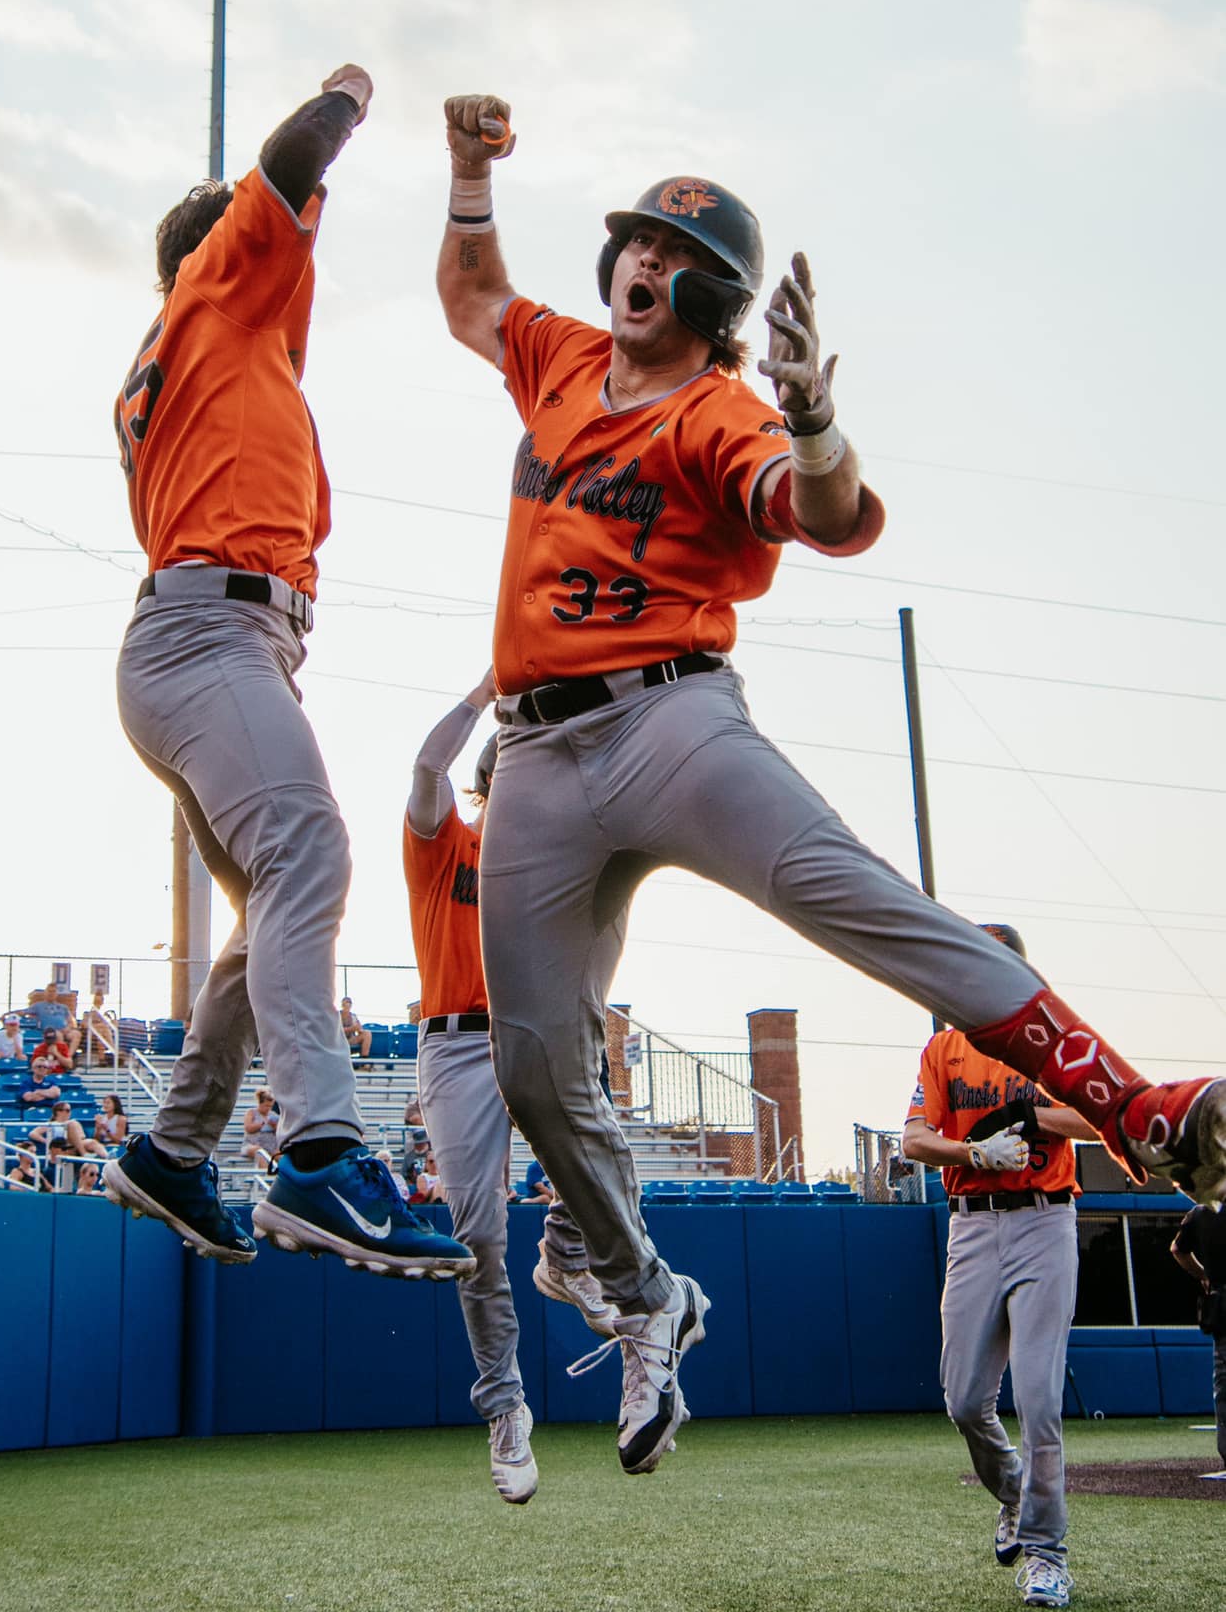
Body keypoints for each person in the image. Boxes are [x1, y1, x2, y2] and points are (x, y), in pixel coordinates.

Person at [433, 91, 1226, 1478]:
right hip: (537, 758)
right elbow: (470, 294)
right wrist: (467, 169)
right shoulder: (557, 358)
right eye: (629, 237)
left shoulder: (717, 410)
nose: (635, 260)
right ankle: (646, 1294)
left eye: (666, 251)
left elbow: (829, 516)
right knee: (529, 1066)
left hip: (667, 719)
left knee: (873, 909)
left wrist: (808, 419)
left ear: (711, 295)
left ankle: (1135, 1108)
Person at [104, 59, 470, 1280]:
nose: (289, 252)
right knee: (310, 848)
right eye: (269, 243)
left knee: (271, 906)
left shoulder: (217, 344)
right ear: (221, 254)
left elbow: (289, 224)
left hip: (209, 641)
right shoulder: (215, 295)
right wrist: (349, 94)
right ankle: (319, 1154)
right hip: (210, 634)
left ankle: (173, 1150)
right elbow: (288, 167)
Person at [405, 677, 618, 1504]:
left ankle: (566, 1257)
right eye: (515, 785)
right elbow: (426, 765)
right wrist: (486, 692)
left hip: (531, 1034)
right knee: (476, 1234)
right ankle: (504, 1408)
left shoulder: (552, 866)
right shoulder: (445, 842)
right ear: (488, 785)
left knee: (602, 1144)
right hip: (456, 1046)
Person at [902, 925, 1096, 1611]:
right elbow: (915, 1139)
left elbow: (1101, 1118)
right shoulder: (944, 1046)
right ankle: (1014, 1495)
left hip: (1045, 1218)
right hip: (974, 1225)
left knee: (1039, 1402)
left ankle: (1047, 1556)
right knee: (962, 1398)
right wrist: (973, 1154)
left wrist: (1033, 1117)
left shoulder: (1053, 1039)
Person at [1170, 1199, 1226, 1478]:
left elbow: (1178, 1250)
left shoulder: (1200, 1213)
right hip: (1221, 1303)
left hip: (1221, 1301)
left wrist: (1203, 1274)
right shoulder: (1201, 1214)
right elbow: (1178, 1249)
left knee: (1224, 1383)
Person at [241, 1089, 281, 1171]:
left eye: (270, 1106)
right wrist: (262, 1125)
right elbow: (248, 1128)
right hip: (252, 1145)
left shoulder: (273, 1115)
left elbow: (280, 1132)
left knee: (283, 1156)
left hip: (271, 1146)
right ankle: (266, 1176)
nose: (268, 1109)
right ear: (260, 1103)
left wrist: (274, 1127)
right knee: (260, 1153)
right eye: (266, 1106)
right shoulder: (251, 1113)